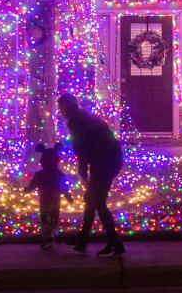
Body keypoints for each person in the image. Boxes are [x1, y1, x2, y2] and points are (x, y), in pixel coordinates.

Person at [57, 93, 125, 257]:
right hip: (109, 159)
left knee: (98, 202)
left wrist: (82, 171)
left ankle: (115, 244)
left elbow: (82, 148)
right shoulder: (85, 116)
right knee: (91, 199)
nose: (61, 111)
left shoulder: (76, 122)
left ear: (65, 108)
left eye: (61, 107)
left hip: (105, 162)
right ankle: (82, 240)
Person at [25, 142, 73, 249]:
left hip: (45, 197)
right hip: (55, 197)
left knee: (45, 217)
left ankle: (47, 238)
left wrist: (27, 190)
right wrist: (68, 196)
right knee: (53, 216)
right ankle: (51, 236)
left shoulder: (40, 174)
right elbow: (64, 187)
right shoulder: (59, 174)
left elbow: (33, 184)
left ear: (42, 161)